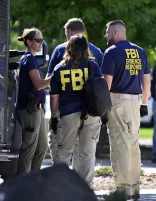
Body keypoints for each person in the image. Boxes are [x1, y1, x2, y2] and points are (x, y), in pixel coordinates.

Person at [101, 20, 151, 199]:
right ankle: (135, 186)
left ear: (115, 32)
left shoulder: (111, 52)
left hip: (117, 100)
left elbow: (106, 82)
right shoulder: (140, 51)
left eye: (107, 32)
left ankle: (123, 188)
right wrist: (144, 103)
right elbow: (146, 80)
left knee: (119, 145)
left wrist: (103, 107)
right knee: (133, 145)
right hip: (136, 101)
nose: (106, 36)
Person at [47, 18, 103, 166]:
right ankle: (84, 187)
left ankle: (62, 185)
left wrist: (53, 116)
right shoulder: (96, 53)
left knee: (63, 151)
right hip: (91, 111)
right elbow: (103, 86)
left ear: (69, 32)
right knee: (87, 154)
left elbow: (51, 86)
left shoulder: (60, 53)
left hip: (67, 111)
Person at [15, 28, 50, 175]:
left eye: (42, 40)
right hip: (30, 110)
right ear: (29, 42)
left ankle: (34, 183)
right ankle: (23, 188)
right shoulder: (29, 59)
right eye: (38, 40)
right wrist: (55, 77)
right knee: (28, 149)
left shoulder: (31, 59)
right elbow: (38, 84)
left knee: (42, 148)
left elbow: (38, 86)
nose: (41, 43)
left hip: (37, 109)